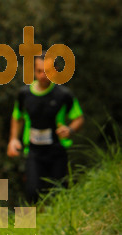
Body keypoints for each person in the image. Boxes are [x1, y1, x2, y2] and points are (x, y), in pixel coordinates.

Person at [7, 52, 84, 203]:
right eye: (39, 71)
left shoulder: (63, 95)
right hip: (34, 151)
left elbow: (78, 118)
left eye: (47, 71)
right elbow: (17, 117)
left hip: (57, 149)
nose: (43, 75)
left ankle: (59, 223)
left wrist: (70, 130)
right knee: (32, 191)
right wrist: (13, 139)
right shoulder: (24, 94)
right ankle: (35, 224)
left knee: (59, 193)